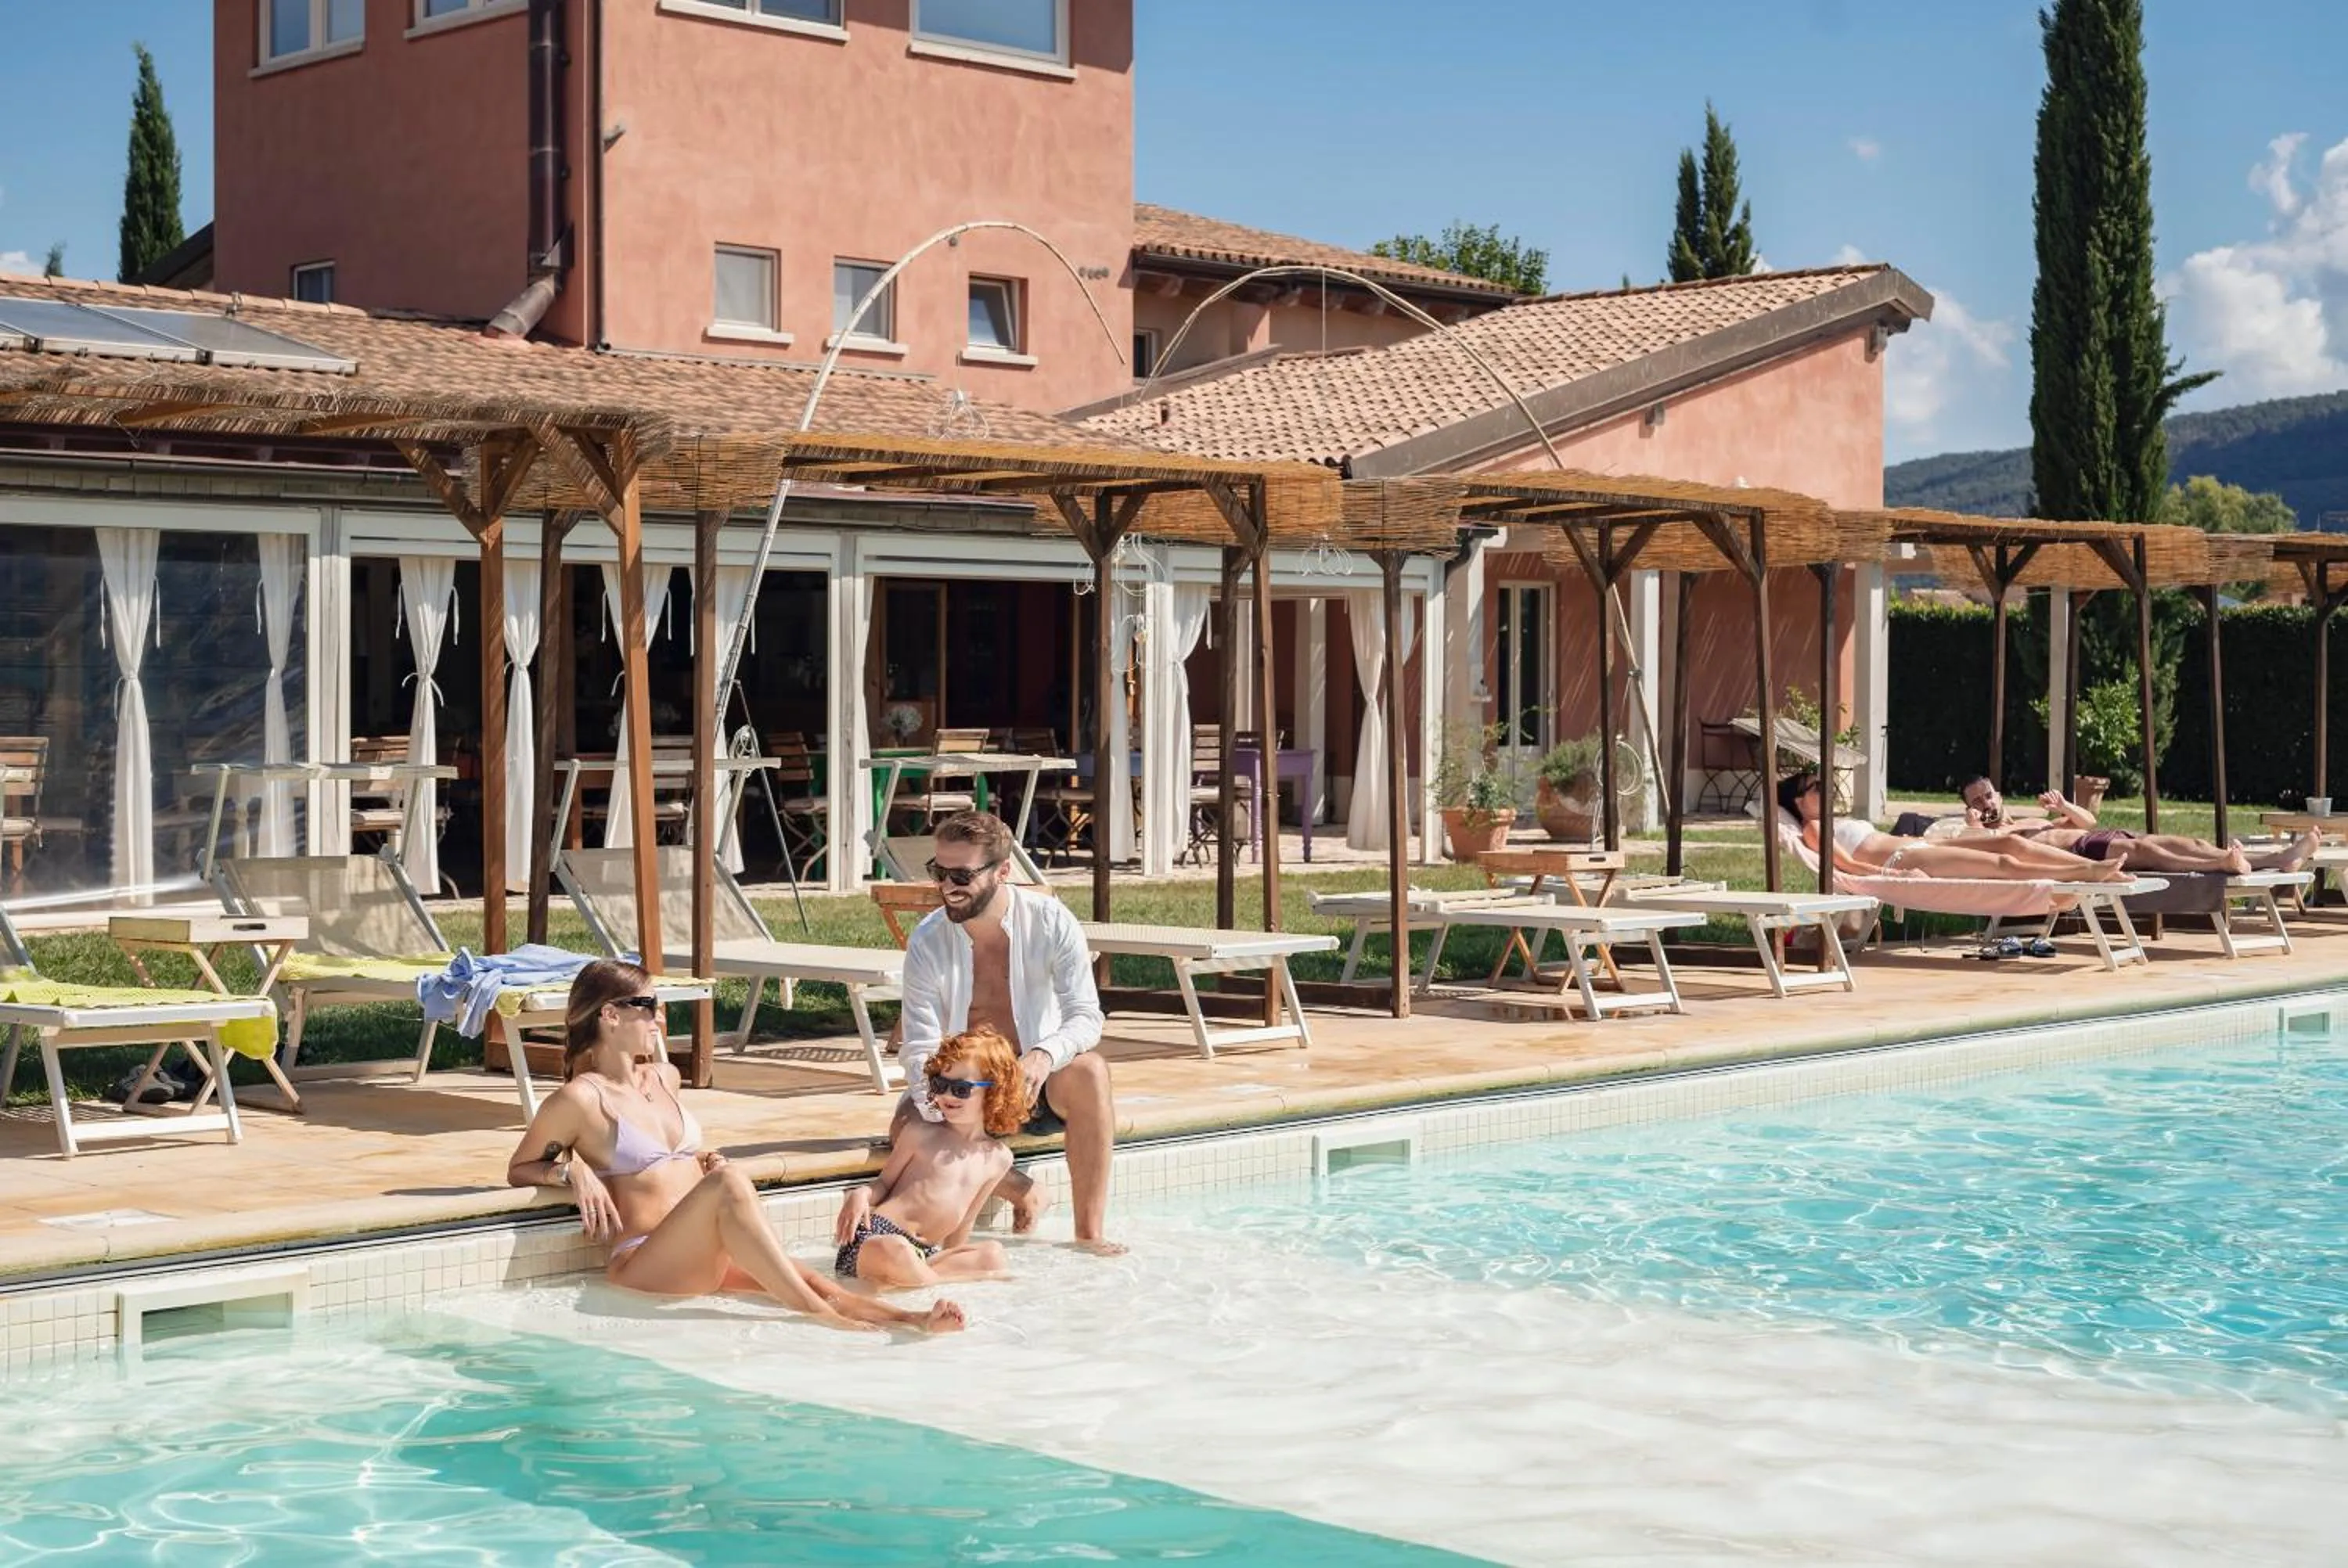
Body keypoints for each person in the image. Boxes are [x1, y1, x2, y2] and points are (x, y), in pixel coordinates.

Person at [508, 958, 963, 1334]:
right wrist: (574, 1171)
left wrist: (702, 1159)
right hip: (646, 1265)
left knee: (810, 1277)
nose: (660, 1017)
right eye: (649, 1005)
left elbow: (668, 1163)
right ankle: (818, 1317)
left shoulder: (664, 1077)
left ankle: (914, 1320)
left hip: (699, 1251)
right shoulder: (582, 1098)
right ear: (610, 1015)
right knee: (733, 1188)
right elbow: (520, 1167)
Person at [897, 810, 1122, 1253]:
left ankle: (1088, 1235)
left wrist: (1042, 1055)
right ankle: (1021, 1188)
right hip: (968, 1090)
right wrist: (942, 1103)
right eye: (938, 872)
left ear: (1002, 871)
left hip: (1035, 1086)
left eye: (961, 874)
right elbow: (920, 1046)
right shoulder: (928, 940)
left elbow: (1085, 1015)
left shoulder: (1050, 920)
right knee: (906, 1120)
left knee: (1091, 1072)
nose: (947, 886)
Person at [834, 1024, 1020, 1288]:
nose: (946, 1095)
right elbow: (885, 1184)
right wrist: (861, 1193)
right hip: (877, 1242)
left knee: (992, 1256)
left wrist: (952, 1257)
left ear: (995, 1092)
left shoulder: (999, 1158)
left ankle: (924, 1284)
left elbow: (965, 1220)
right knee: (896, 1250)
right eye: (940, 1084)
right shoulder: (921, 1133)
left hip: (925, 1256)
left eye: (961, 1089)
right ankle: (931, 1295)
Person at [1777, 771, 2127, 883]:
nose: (1825, 790)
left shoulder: (1840, 821)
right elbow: (1848, 866)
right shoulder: (1813, 828)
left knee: (2012, 846)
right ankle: (2085, 874)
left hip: (1918, 846)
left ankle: (2093, 868)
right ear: (1797, 801)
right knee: (2005, 865)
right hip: (1902, 861)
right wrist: (1895, 877)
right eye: (1815, 787)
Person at [1957, 777, 2320, 875]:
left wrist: (2065, 805)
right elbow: (1977, 850)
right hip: (2079, 853)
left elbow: (2088, 820)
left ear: (1999, 795)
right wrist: (1976, 828)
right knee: (2144, 852)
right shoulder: (1987, 836)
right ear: (1969, 808)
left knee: (2188, 841)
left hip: (2095, 836)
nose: (1985, 803)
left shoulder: (2030, 820)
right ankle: (2221, 864)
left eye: (1988, 796)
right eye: (1976, 801)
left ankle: (2278, 858)